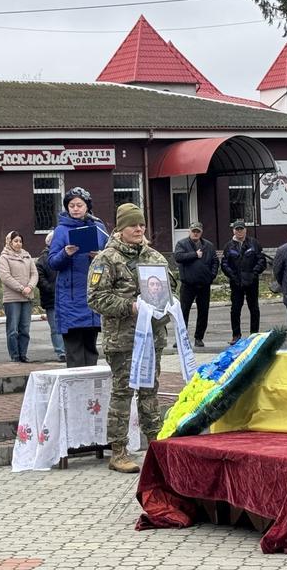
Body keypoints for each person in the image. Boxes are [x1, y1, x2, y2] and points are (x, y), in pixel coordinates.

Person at [87, 203, 174, 474]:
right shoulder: (106, 259)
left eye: (141, 225)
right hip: (123, 340)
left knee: (150, 393)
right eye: (132, 225)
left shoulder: (154, 257)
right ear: (120, 228)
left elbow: (170, 286)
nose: (138, 229)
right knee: (123, 394)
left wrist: (168, 300)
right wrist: (130, 306)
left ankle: (156, 445)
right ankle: (119, 451)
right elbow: (95, 298)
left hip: (151, 338)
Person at [48, 187, 108, 367]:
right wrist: (66, 253)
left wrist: (99, 256)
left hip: (92, 295)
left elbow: (111, 257)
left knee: (91, 349)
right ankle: (76, 391)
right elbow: (52, 262)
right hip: (70, 298)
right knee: (74, 352)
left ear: (87, 207)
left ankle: (92, 392)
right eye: (71, 205)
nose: (75, 209)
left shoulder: (98, 227)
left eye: (79, 205)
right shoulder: (61, 230)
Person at [172, 221, 218, 348]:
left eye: (198, 231)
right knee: (183, 312)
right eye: (193, 231)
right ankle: (181, 338)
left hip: (204, 284)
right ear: (189, 231)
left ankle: (199, 338)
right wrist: (195, 255)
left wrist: (211, 276)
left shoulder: (208, 245)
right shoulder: (182, 244)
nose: (195, 233)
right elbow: (178, 257)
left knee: (203, 312)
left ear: (201, 232)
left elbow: (215, 261)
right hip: (188, 284)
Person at [221, 219, 267, 343]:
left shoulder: (254, 243)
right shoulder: (228, 246)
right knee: (235, 309)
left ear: (245, 230)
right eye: (237, 229)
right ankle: (236, 335)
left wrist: (254, 274)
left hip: (252, 282)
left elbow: (261, 261)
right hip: (236, 283)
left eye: (241, 229)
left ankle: (254, 334)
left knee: (254, 308)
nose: (239, 231)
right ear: (233, 231)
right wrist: (233, 276)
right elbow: (224, 264)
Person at [0, 230, 38, 363]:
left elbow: (34, 274)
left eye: (20, 241)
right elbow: (6, 277)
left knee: (25, 329)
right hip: (12, 299)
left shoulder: (27, 256)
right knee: (13, 329)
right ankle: (15, 356)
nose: (18, 244)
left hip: (27, 297)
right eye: (15, 241)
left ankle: (23, 354)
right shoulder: (4, 258)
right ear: (9, 242)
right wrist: (21, 288)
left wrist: (30, 287)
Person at [35, 230, 65, 362]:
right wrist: (52, 289)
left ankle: (67, 349)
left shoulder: (63, 256)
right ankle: (61, 351)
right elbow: (40, 279)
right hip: (51, 299)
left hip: (64, 298)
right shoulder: (42, 260)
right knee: (55, 327)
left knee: (66, 326)